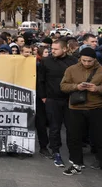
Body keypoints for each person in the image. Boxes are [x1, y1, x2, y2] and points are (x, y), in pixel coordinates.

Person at [59, 47, 102, 175]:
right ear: (80, 59)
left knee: (98, 137)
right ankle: (76, 163)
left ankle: (99, 160)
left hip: (96, 107)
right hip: (76, 107)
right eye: (84, 60)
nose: (87, 63)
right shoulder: (71, 69)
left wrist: (97, 89)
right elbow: (63, 86)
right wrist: (76, 86)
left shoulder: (100, 70)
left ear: (95, 59)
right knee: (74, 137)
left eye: (90, 61)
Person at [38, 40, 79, 168]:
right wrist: (44, 96)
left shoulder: (74, 61)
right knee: (54, 128)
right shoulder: (46, 61)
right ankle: (56, 152)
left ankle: (75, 155)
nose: (52, 51)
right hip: (52, 99)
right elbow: (41, 80)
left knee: (72, 128)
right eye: (52, 49)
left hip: (70, 100)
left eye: (56, 49)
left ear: (65, 49)